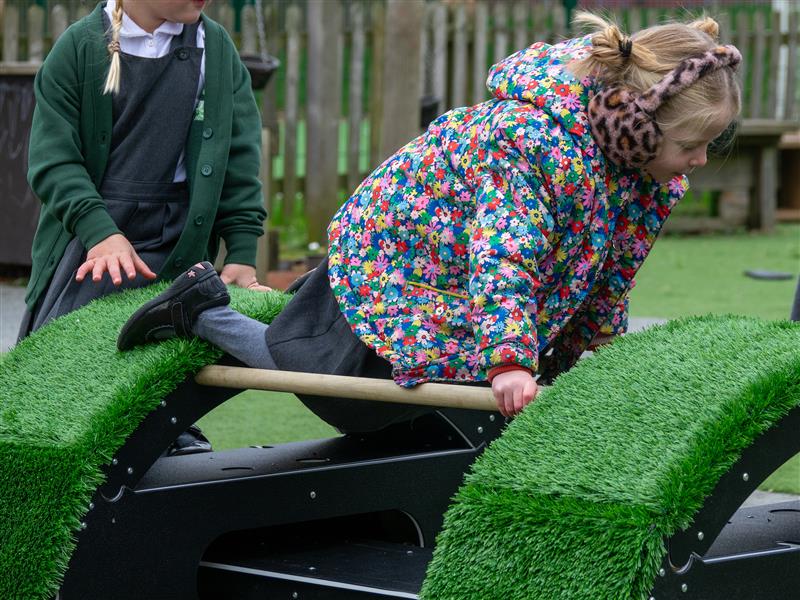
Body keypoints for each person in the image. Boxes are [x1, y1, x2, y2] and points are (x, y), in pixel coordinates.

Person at [117, 13, 742, 428]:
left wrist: (595, 362)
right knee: (334, 389)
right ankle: (200, 309)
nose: (700, 159)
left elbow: (607, 278)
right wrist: (512, 361)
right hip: (397, 263)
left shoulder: (642, 174)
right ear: (633, 125)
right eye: (693, 142)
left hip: (451, 281)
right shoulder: (529, 140)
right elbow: (505, 255)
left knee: (427, 397)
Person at [21, 0, 269, 452]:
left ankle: (167, 434)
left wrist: (241, 253)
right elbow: (53, 162)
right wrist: (100, 233)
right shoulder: (78, 49)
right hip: (94, 240)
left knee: (167, 347)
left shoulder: (216, 50)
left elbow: (237, 156)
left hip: (180, 236)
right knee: (71, 361)